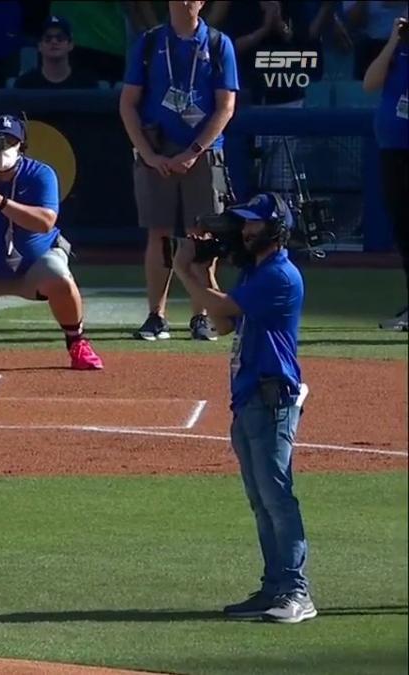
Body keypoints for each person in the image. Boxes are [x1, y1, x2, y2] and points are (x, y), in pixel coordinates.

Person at [172, 191, 316, 625]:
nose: (244, 230)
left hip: (272, 399)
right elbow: (222, 322)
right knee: (261, 500)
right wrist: (204, 270)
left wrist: (184, 270)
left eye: (252, 224)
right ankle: (274, 587)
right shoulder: (255, 273)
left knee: (277, 499)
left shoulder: (280, 275)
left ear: (275, 229)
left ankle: (296, 591)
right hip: (250, 396)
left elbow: (224, 309)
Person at [0, 114, 104, 371]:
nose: (3, 149)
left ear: (21, 145)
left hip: (33, 266)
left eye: (10, 141)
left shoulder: (40, 174)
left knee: (60, 276)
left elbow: (45, 222)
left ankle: (77, 342)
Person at [119, 0, 239, 342]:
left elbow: (226, 106)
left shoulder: (217, 43)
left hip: (203, 151)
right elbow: (128, 103)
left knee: (201, 233)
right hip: (157, 148)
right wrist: (148, 154)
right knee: (158, 233)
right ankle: (156, 315)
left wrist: (194, 151)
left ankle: (201, 315)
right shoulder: (150, 42)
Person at [363, 15, 408, 332]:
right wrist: (394, 40)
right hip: (393, 150)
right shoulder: (399, 49)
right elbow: (370, 83)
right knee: (404, 232)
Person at [13, 15, 99, 90]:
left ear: (70, 45)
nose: (54, 42)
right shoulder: (25, 84)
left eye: (60, 38)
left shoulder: (87, 84)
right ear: (39, 46)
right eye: (48, 38)